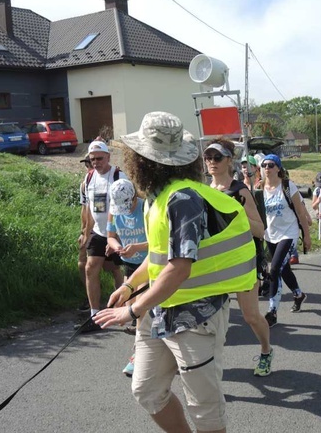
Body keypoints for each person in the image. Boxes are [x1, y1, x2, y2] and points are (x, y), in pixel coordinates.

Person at [94, 111, 256, 433]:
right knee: (147, 390)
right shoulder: (158, 197)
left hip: (196, 318)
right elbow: (158, 258)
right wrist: (129, 286)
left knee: (204, 409)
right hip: (160, 310)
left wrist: (133, 308)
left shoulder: (182, 199)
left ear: (143, 160)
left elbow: (179, 267)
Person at [204, 139, 274, 377]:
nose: (212, 162)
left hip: (243, 261)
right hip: (215, 262)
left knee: (250, 316)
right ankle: (209, 368)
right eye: (208, 157)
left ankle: (266, 350)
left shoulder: (239, 190)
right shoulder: (204, 191)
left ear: (229, 161)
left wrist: (236, 211)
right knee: (210, 318)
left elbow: (259, 229)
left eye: (217, 157)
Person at [261, 153, 311, 328]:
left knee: (274, 269)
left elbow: (300, 211)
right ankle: (298, 294)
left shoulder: (288, 186)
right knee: (284, 269)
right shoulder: (260, 188)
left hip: (289, 233)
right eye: (264, 165)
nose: (267, 168)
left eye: (271, 165)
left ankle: (272, 312)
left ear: (278, 168)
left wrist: (306, 235)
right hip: (270, 235)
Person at [82, 140, 125, 331]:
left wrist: (114, 237)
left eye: (99, 158)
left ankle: (122, 310)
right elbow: (88, 208)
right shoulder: (88, 178)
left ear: (108, 156)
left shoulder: (119, 176)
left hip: (119, 232)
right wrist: (85, 232)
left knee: (118, 270)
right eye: (92, 160)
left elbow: (128, 207)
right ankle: (94, 315)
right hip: (99, 232)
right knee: (91, 268)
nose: (96, 162)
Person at [106, 178, 148, 375]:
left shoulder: (146, 207)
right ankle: (153, 351)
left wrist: (137, 247)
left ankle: (137, 356)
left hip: (148, 264)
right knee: (127, 309)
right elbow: (111, 236)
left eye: (127, 205)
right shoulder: (114, 212)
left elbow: (160, 241)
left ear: (133, 197)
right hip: (129, 265)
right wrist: (117, 248)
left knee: (139, 310)